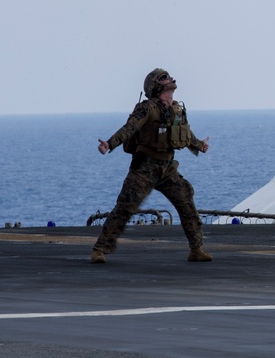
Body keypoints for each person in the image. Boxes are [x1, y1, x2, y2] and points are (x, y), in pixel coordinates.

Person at [90, 68, 212, 264]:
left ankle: (196, 249)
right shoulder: (147, 109)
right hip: (144, 167)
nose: (170, 80)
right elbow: (129, 129)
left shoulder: (176, 109)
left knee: (186, 200)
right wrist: (110, 144)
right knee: (125, 207)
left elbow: (185, 135)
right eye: (164, 79)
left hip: (167, 167)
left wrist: (200, 146)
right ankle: (100, 249)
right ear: (155, 87)